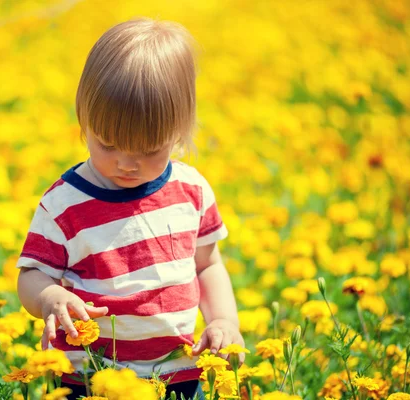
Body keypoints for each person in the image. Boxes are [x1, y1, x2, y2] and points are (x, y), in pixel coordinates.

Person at [16, 17, 244, 400]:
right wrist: (48, 298)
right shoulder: (64, 205)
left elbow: (208, 265)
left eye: (149, 150)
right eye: (108, 144)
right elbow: (31, 275)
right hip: (91, 377)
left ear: (179, 132)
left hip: (179, 372)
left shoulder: (192, 190)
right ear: (84, 121)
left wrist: (224, 320)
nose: (126, 163)